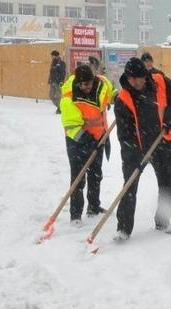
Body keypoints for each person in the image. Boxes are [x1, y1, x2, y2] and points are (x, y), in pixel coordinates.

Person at [113, 57, 171, 241]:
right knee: (129, 185)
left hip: (162, 141)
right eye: (131, 78)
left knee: (166, 183)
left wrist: (170, 118)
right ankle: (123, 228)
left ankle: (163, 221)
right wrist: (133, 155)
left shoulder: (160, 82)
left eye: (139, 78)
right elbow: (125, 134)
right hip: (137, 146)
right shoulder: (123, 98)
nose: (135, 82)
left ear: (146, 76)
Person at [59, 64, 115, 223]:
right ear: (77, 82)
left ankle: (93, 207)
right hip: (76, 141)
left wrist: (117, 97)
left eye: (89, 83)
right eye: (83, 84)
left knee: (96, 174)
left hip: (99, 138)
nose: (86, 88)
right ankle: (75, 215)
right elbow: (71, 125)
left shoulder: (101, 85)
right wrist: (89, 142)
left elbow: (110, 92)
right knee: (78, 177)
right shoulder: (69, 96)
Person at [48, 50, 66, 114]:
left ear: (56, 56)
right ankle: (60, 107)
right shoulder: (53, 63)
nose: (52, 57)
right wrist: (50, 80)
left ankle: (60, 108)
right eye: (51, 56)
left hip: (58, 82)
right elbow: (51, 73)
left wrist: (61, 81)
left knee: (58, 96)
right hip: (52, 82)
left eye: (52, 56)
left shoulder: (61, 63)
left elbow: (63, 74)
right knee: (51, 96)